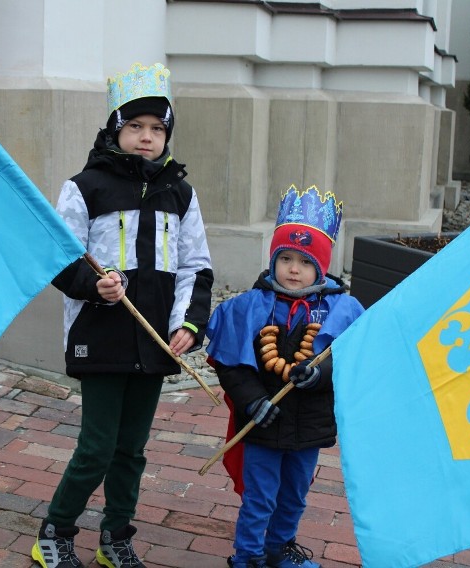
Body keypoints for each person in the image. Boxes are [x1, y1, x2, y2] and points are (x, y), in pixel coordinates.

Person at [31, 62, 214, 568]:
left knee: (132, 450)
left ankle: (116, 536)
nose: (146, 137)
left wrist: (188, 325)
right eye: (135, 126)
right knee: (96, 448)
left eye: (157, 129)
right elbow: (58, 257)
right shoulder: (85, 186)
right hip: (102, 336)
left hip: (154, 341)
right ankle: (56, 531)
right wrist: (95, 285)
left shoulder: (180, 193)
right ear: (116, 129)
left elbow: (196, 267)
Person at [205, 186, 364, 568]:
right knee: (260, 495)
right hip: (262, 421)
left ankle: (279, 549)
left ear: (321, 267)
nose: (294, 269)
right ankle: (247, 556)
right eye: (286, 258)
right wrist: (252, 400)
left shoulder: (343, 312)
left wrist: (321, 373)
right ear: (273, 259)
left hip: (309, 424)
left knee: (295, 493)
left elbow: (352, 358)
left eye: (305, 262)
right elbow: (232, 365)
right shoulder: (249, 308)